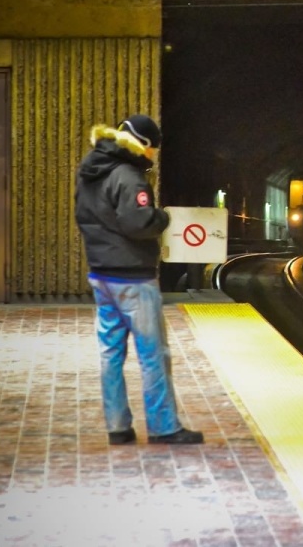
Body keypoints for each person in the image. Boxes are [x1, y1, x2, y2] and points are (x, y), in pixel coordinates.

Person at [74, 114, 203, 445]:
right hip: (133, 279)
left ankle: (118, 426)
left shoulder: (90, 170)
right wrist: (162, 217)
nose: (152, 157)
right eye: (153, 150)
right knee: (153, 354)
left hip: (102, 274)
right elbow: (138, 223)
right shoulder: (128, 177)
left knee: (110, 354)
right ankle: (163, 427)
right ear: (143, 145)